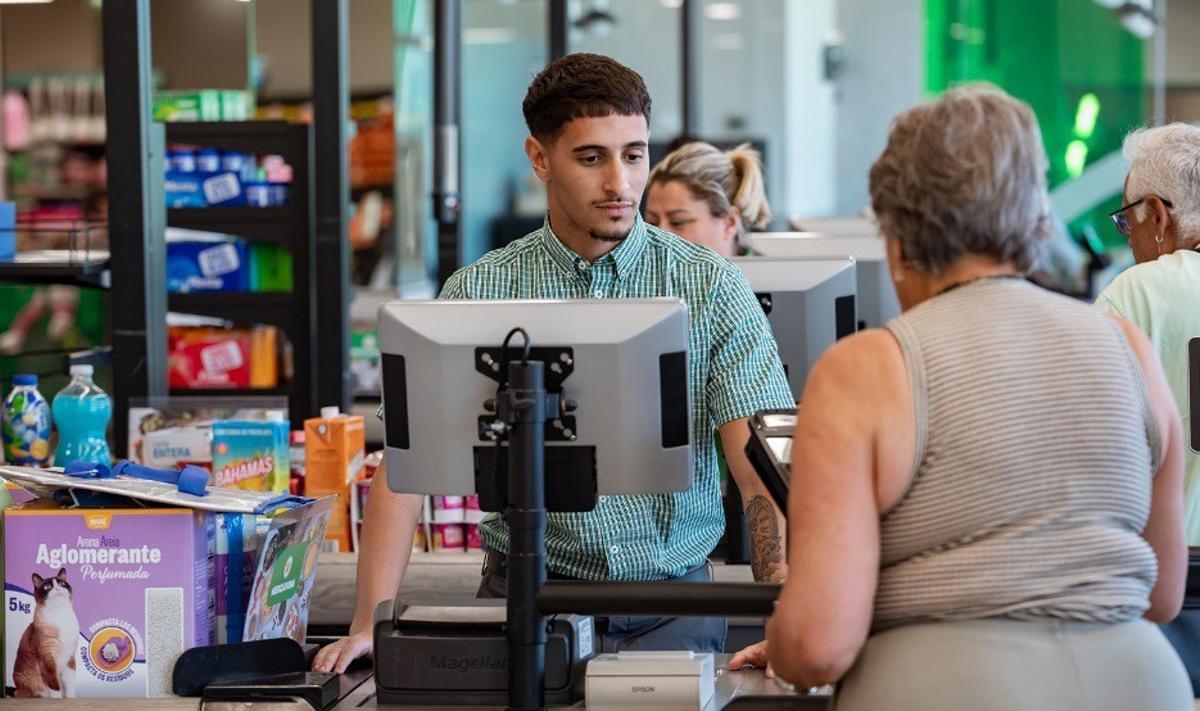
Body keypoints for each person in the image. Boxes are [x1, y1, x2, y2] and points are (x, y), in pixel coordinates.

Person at [314, 53, 794, 673]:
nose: (620, 183)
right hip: (524, 605)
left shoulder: (712, 287)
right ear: (540, 159)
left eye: (634, 155)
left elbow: (758, 467)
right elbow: (404, 468)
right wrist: (367, 622)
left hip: (674, 608)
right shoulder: (478, 291)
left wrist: (785, 612)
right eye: (591, 158)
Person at [730, 84, 1191, 710]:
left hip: (944, 689)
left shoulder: (865, 370)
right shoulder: (1129, 348)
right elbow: (1162, 594)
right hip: (1140, 686)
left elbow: (817, 647)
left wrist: (788, 639)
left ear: (898, 235)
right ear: (1036, 218)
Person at [1096, 123, 1200, 544]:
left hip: (1176, 568)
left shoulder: (1138, 294)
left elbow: (1091, 449)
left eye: (1127, 221)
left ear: (1157, 215)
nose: (1129, 240)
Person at [644, 142, 771, 259]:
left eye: (678, 222)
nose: (659, 237)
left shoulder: (772, 274)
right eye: (652, 223)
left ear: (729, 223)